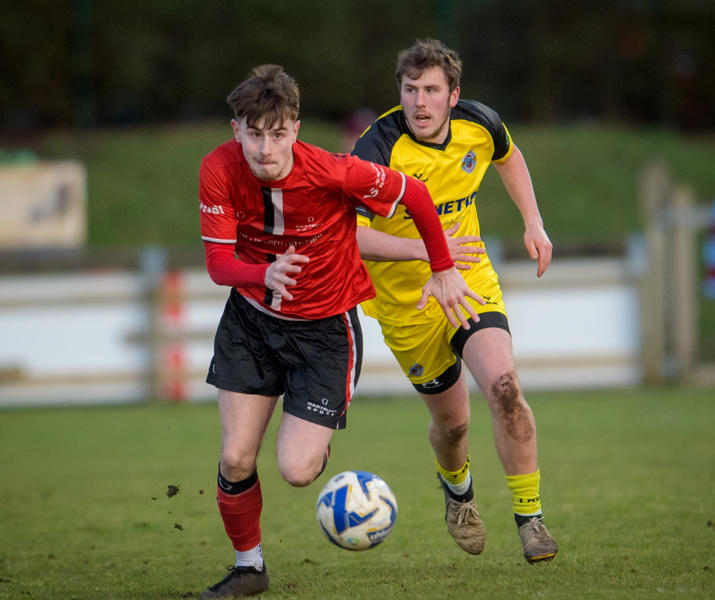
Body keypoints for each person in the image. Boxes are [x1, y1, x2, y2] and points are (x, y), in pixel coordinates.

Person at [197, 63, 481, 599]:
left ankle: (315, 443)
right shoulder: (217, 168)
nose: (264, 148)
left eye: (277, 134)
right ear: (236, 129)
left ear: (295, 130)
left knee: (297, 471)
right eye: (253, 134)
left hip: (325, 332)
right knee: (235, 458)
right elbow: (218, 264)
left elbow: (416, 196)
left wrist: (441, 267)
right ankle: (249, 568)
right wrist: (264, 274)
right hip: (251, 323)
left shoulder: (333, 171)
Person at [351, 39, 558, 563]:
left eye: (431, 91)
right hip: (406, 306)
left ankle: (531, 519)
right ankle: (459, 493)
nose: (419, 103)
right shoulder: (377, 149)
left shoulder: (480, 124)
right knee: (454, 424)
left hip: (468, 281)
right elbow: (351, 237)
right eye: (410, 90)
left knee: (504, 386)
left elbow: (509, 157)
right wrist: (427, 250)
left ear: (453, 95)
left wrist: (532, 221)